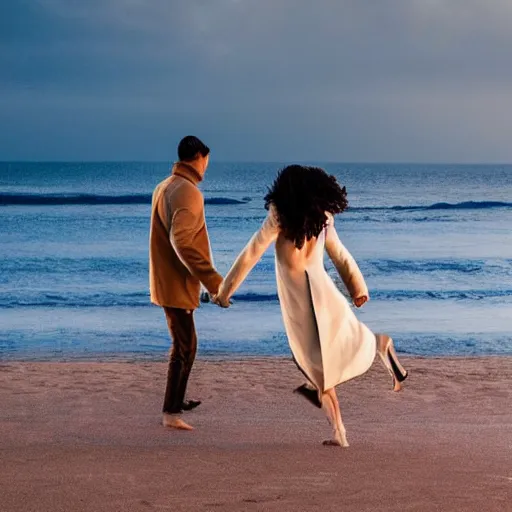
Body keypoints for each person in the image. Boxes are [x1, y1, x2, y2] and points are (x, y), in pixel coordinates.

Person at [214, 165, 407, 447]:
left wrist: (224, 291)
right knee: (321, 365)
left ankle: (340, 431)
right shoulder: (323, 217)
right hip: (324, 296)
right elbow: (340, 255)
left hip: (301, 305)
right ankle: (378, 345)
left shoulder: (279, 216)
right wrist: (357, 288)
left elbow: (252, 252)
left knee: (315, 367)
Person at [149, 135, 226, 431]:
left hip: (166, 281)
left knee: (184, 344)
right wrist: (215, 281)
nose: (207, 166)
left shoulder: (164, 186)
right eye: (206, 160)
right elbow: (182, 242)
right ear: (198, 156)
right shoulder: (187, 191)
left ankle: (177, 402)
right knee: (186, 346)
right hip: (175, 283)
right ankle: (170, 412)